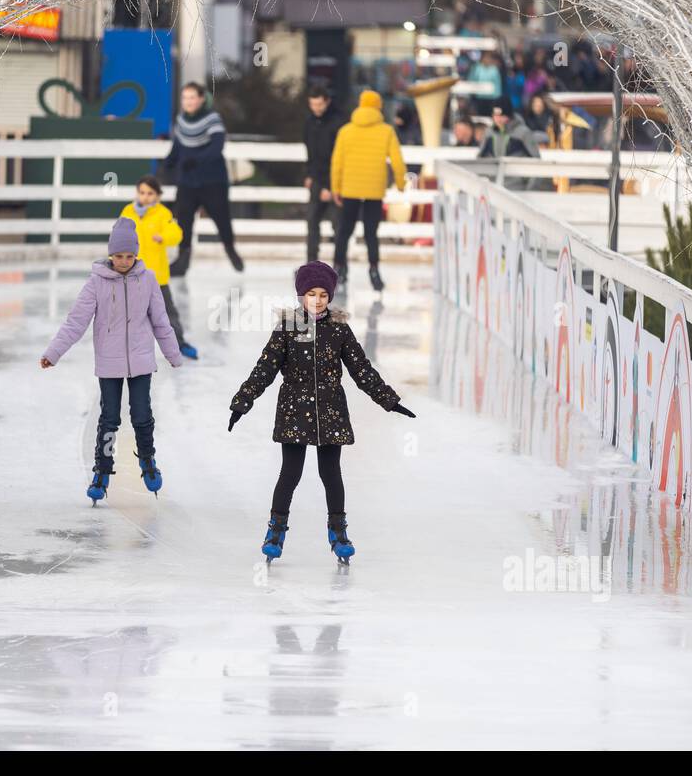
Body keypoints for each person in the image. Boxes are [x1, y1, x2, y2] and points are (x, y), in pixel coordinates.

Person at [227, 261, 415, 565]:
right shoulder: (288, 328)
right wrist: (242, 402)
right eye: (311, 294)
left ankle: (338, 532)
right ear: (301, 295)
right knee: (290, 473)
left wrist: (388, 400)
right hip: (294, 410)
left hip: (330, 412)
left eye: (324, 295)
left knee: (331, 473)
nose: (318, 300)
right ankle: (275, 531)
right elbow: (265, 369)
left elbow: (361, 369)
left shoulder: (339, 329)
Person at [40, 217, 184, 503]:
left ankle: (147, 461)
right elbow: (75, 322)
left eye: (129, 256)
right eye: (118, 256)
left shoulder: (149, 280)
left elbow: (160, 321)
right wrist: (53, 353)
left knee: (142, 416)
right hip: (109, 362)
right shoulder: (97, 283)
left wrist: (173, 354)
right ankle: (102, 471)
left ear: (136, 254)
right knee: (109, 419)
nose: (124, 261)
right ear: (110, 254)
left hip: (141, 361)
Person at [329, 90, 407, 292]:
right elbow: (397, 161)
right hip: (374, 189)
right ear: (378, 107)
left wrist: (336, 187)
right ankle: (374, 272)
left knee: (344, 230)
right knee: (371, 233)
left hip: (350, 188)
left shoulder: (345, 131)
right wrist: (400, 183)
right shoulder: (387, 131)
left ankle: (338, 268)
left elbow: (337, 162)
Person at [162, 82, 242, 275]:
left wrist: (195, 160)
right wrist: (168, 162)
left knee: (221, 219)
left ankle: (230, 249)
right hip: (187, 182)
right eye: (185, 98)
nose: (188, 101)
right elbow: (177, 147)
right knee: (184, 221)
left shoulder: (212, 119)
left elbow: (216, 147)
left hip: (213, 181)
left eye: (192, 97)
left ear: (200, 99)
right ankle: (182, 260)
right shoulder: (180, 121)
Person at [119, 175, 198, 360]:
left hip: (156, 278)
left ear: (157, 196)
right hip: (132, 276)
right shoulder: (127, 212)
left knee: (168, 315)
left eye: (150, 193)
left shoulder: (163, 214)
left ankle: (180, 344)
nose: (145, 197)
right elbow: (118, 238)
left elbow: (176, 233)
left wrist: (164, 237)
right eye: (142, 192)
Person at [303, 85, 344, 263]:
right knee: (312, 222)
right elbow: (311, 153)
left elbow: (338, 157)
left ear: (326, 102)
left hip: (334, 181)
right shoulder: (309, 123)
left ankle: (339, 265)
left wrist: (329, 185)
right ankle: (311, 262)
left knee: (338, 225)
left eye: (319, 104)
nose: (316, 108)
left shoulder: (338, 122)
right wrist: (309, 174)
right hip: (317, 180)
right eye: (313, 105)